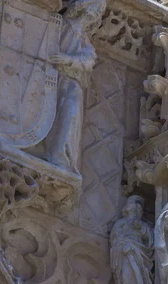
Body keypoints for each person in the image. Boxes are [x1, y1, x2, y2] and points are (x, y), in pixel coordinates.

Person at [46, 0, 105, 172]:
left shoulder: (84, 39)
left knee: (71, 113)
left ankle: (62, 156)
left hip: (72, 83)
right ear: (82, 6)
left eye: (98, 12)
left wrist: (69, 60)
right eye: (94, 8)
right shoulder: (61, 25)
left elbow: (88, 61)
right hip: (52, 79)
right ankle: (48, 149)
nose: (94, 14)